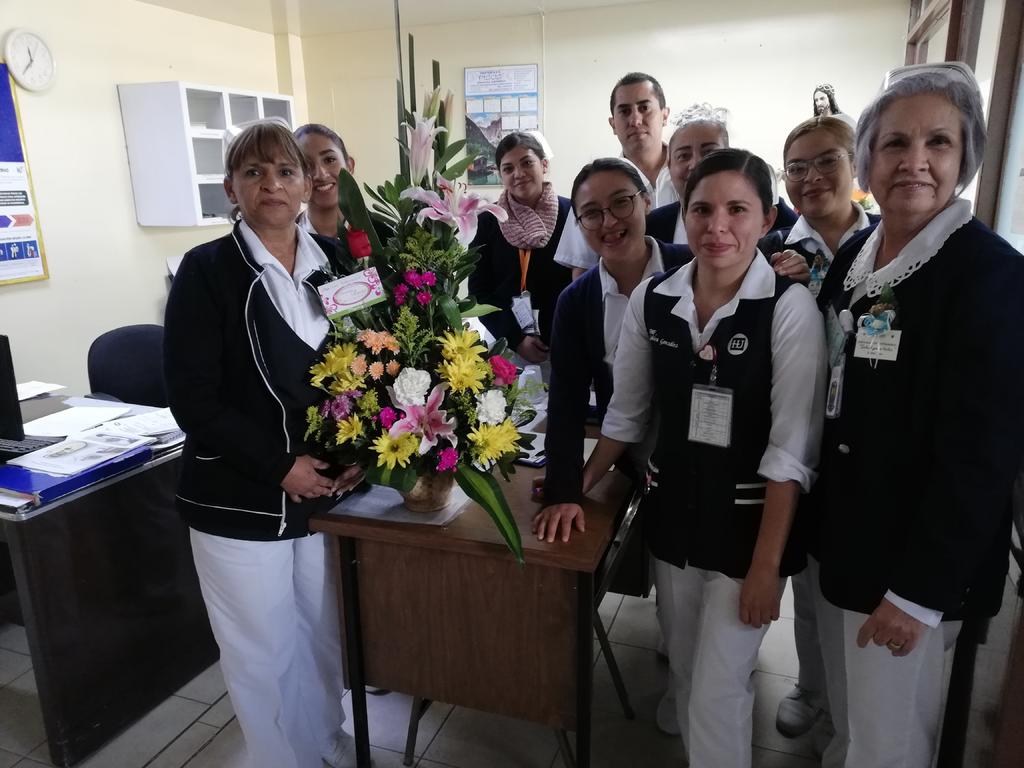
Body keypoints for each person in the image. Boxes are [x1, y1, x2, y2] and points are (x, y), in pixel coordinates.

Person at [581, 148, 826, 767]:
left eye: (737, 210)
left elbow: (792, 451)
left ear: (767, 218)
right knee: (689, 674)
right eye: (702, 209)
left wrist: (767, 567)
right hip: (673, 519)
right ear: (682, 215)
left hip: (747, 530)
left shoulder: (788, 308)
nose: (718, 226)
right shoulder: (654, 299)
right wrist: (574, 487)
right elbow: (626, 416)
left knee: (719, 688)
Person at [814, 62, 1024, 768]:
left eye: (938, 142)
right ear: (868, 158)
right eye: (895, 143)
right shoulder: (860, 253)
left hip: (912, 568)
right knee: (855, 726)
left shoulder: (990, 275)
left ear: (966, 157)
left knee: (891, 744)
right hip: (850, 542)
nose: (915, 161)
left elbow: (983, 453)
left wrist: (917, 594)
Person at [164, 119, 364, 768]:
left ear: (308, 184)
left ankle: (324, 742)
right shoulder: (205, 272)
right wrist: (280, 465)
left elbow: (373, 364)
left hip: (325, 495)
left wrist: (361, 454)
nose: (271, 184)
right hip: (238, 500)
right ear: (232, 188)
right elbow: (193, 399)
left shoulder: (340, 263)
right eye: (253, 172)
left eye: (285, 171)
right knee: (262, 651)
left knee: (322, 636)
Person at [759, 115, 878, 746]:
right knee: (807, 578)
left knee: (856, 585)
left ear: (856, 165)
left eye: (827, 160)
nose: (810, 178)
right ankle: (811, 689)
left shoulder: (888, 244)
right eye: (796, 167)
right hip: (803, 434)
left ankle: (851, 710)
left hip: (868, 435)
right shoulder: (774, 251)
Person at [534, 157, 689, 541]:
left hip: (708, 464)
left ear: (646, 201)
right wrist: (564, 489)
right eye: (591, 213)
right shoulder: (576, 301)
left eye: (621, 202)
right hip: (631, 466)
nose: (608, 222)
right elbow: (566, 400)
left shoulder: (693, 268)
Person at [554, 72, 675, 277]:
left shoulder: (691, 175)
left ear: (664, 115)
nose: (635, 120)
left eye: (644, 108)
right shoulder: (594, 185)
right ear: (612, 124)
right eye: (625, 111)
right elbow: (582, 267)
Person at [468, 131, 571, 366]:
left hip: (566, 340)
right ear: (500, 175)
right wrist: (516, 339)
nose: (519, 174)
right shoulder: (487, 221)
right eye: (508, 168)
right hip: (508, 345)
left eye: (527, 163)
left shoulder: (572, 214)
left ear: (544, 165)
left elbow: (583, 282)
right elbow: (479, 293)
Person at [647, 103, 798, 253]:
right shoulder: (651, 227)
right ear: (669, 165)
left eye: (709, 152)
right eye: (684, 156)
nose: (696, 164)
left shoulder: (772, 217)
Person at [294, 123, 356, 238]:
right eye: (306, 165)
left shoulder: (384, 234)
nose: (321, 175)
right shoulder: (282, 242)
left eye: (329, 160)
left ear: (349, 166)